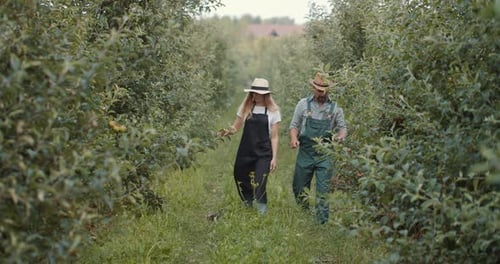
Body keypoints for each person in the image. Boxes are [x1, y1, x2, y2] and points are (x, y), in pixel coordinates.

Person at [289, 72, 347, 224]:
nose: (322, 93)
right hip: (306, 152)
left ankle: (321, 222)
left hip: (325, 154)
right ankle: (304, 213)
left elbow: (342, 128)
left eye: (324, 90)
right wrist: (294, 139)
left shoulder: (335, 108)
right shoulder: (303, 104)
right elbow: (294, 126)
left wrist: (341, 137)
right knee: (299, 186)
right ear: (313, 88)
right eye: (319, 90)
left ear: (328, 90)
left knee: (323, 189)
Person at [218, 78, 281, 214]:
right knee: (240, 175)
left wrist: (274, 158)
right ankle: (248, 204)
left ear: (265, 94)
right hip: (246, 150)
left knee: (260, 181)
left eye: (257, 93)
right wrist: (226, 132)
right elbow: (235, 127)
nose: (255, 95)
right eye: (253, 92)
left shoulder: (273, 111)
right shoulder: (246, 107)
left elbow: (275, 137)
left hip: (264, 153)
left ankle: (262, 211)